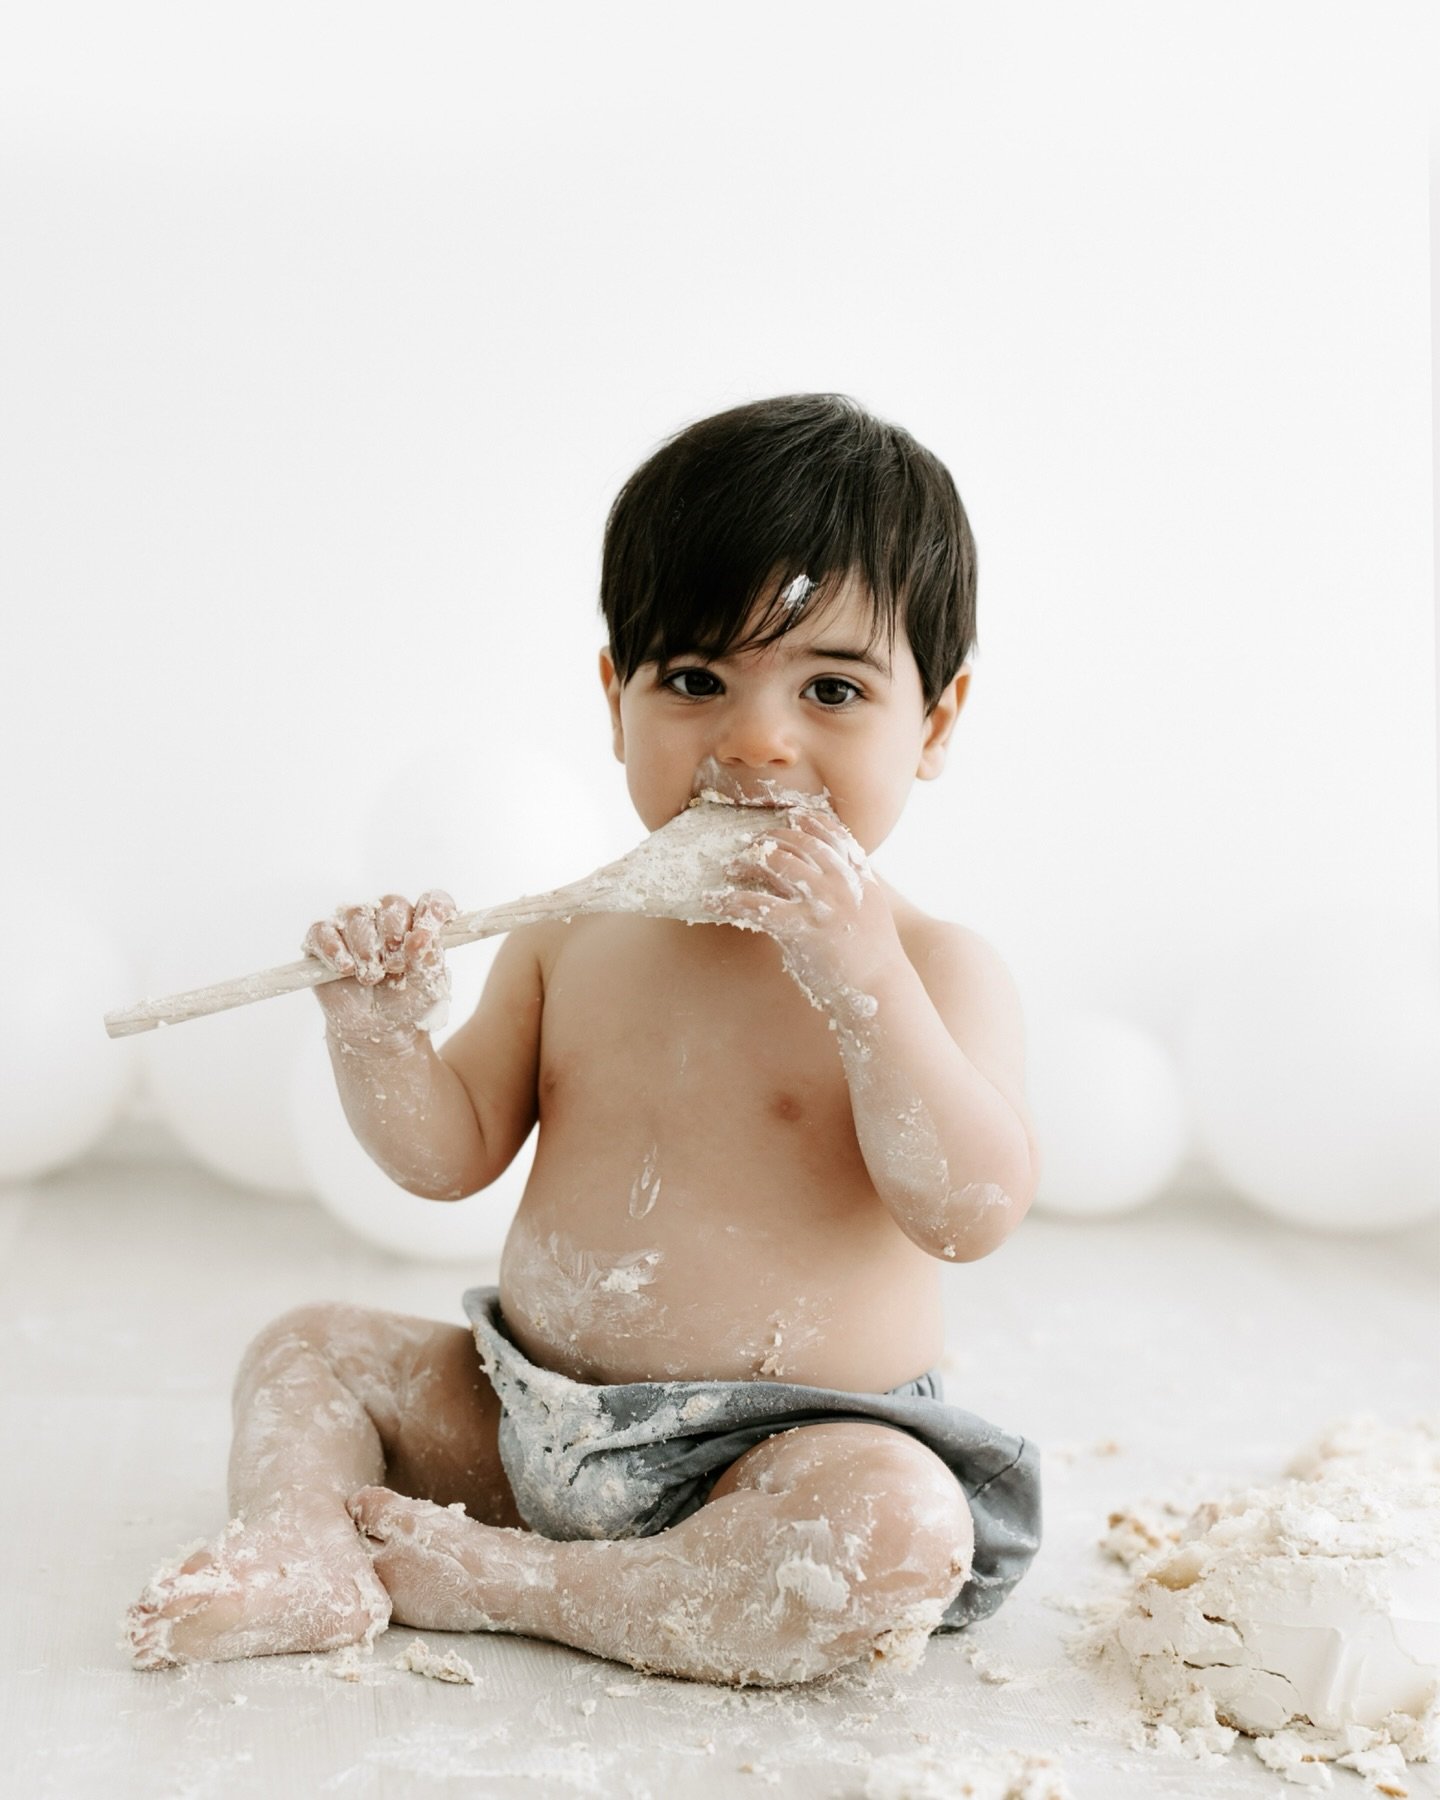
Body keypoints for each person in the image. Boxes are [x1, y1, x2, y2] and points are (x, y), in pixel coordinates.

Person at [126, 393, 1043, 1685]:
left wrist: (863, 985)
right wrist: (382, 1036)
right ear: (617, 699)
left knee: (896, 1532)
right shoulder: (572, 935)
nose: (756, 742)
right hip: (526, 1419)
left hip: (788, 1454)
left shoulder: (938, 966)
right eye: (694, 679)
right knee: (305, 1350)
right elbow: (446, 1158)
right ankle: (301, 1551)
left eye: (832, 688)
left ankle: (531, 1586)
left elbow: (969, 1209)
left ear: (935, 724)